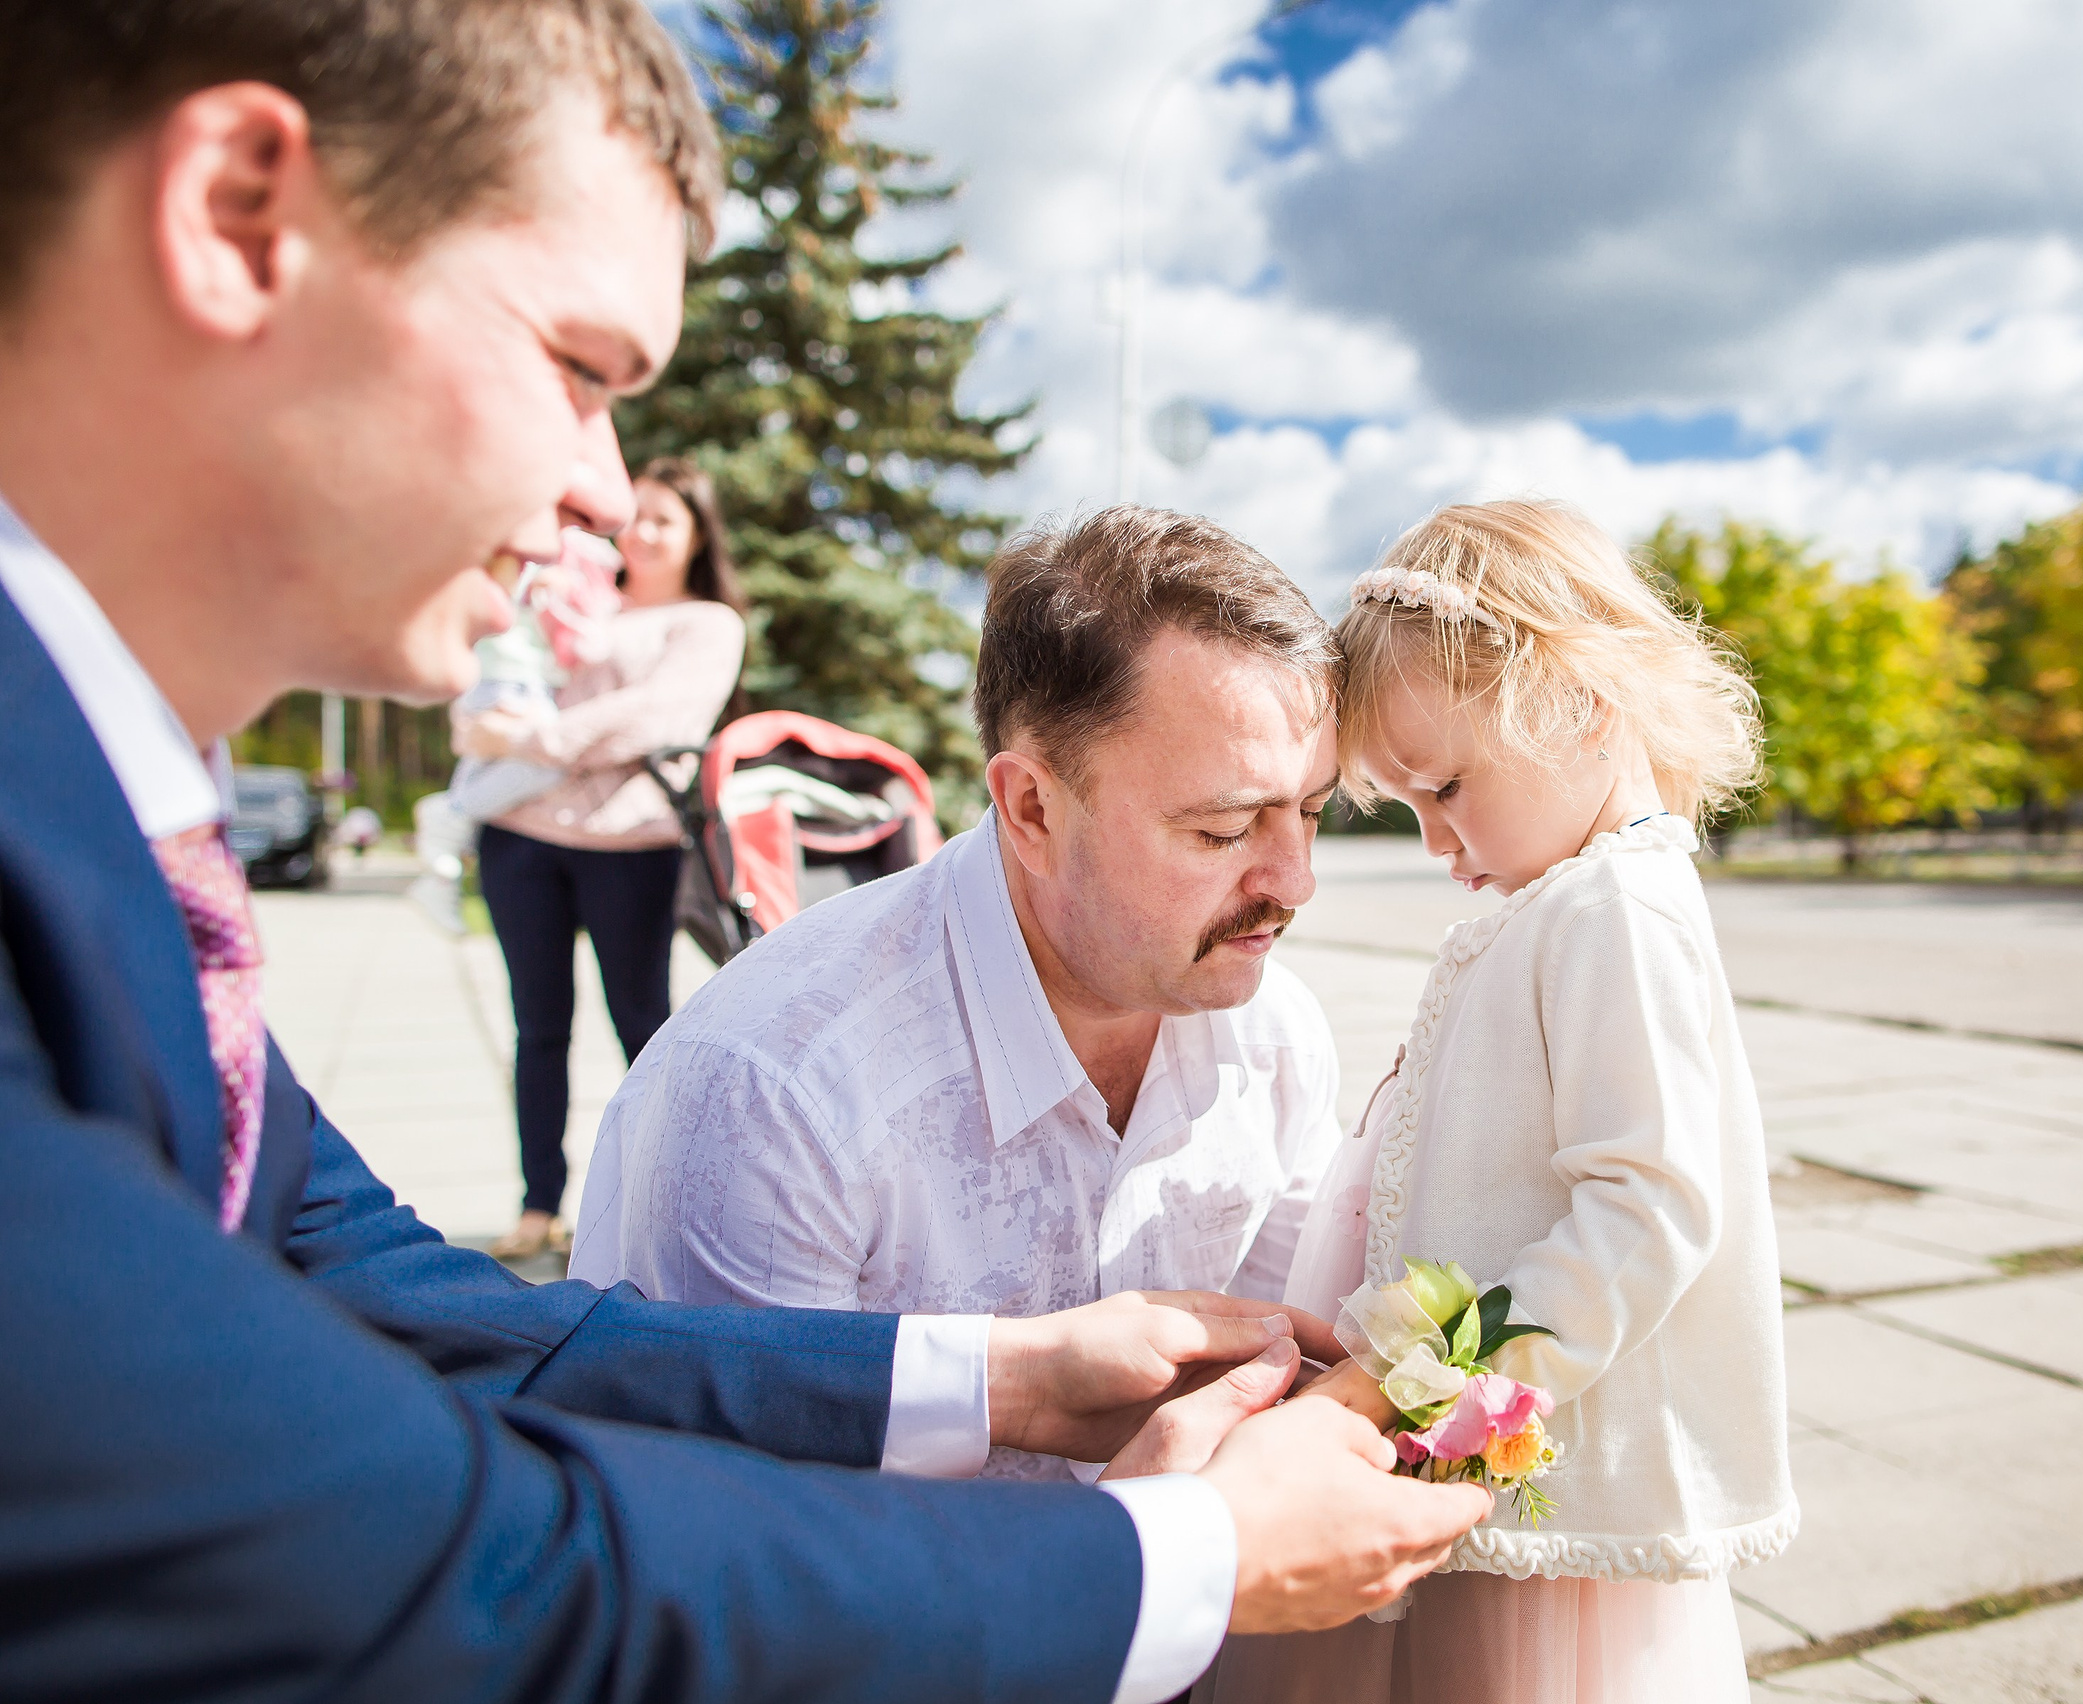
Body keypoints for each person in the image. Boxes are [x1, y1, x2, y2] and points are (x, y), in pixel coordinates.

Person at [0, 4, 1491, 1700]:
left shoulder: (98, 836)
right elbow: (461, 1578)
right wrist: (1184, 1557)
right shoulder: (783, 1075)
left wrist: (1003, 1377)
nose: (606, 490)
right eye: (578, 369)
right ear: (234, 217)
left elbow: (411, 1305)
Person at [571, 507, 1345, 1479]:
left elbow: (1274, 1409)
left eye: (1314, 810)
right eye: (1223, 830)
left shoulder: (1275, 1038)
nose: (1295, 881)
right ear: (1032, 808)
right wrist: (1143, 1538)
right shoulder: (775, 1095)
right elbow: (740, 1534)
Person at [1203, 501, 1797, 1704]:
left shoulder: (1613, 910)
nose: (1434, 839)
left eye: (1447, 787)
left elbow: (1646, 1208)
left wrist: (1422, 1382)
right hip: (1478, 1451)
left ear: (1578, 704)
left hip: (1524, 1472)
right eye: (1408, 804)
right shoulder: (1568, 901)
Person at [461, 456, 748, 1258]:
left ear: (697, 536)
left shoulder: (705, 623)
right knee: (537, 1028)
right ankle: (537, 1205)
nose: (642, 532)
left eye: (664, 519)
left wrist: (536, 740)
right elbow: (491, 686)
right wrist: (494, 730)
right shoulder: (570, 597)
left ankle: (656, 1203)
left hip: (631, 850)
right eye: (634, 516)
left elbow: (659, 717)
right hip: (520, 840)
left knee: (642, 1027)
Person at [405, 525, 626, 936]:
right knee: (544, 765)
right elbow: (490, 587)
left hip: (508, 678)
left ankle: (439, 879)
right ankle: (450, 817)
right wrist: (541, 581)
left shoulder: (548, 547)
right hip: (506, 679)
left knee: (478, 776)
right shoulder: (518, 543)